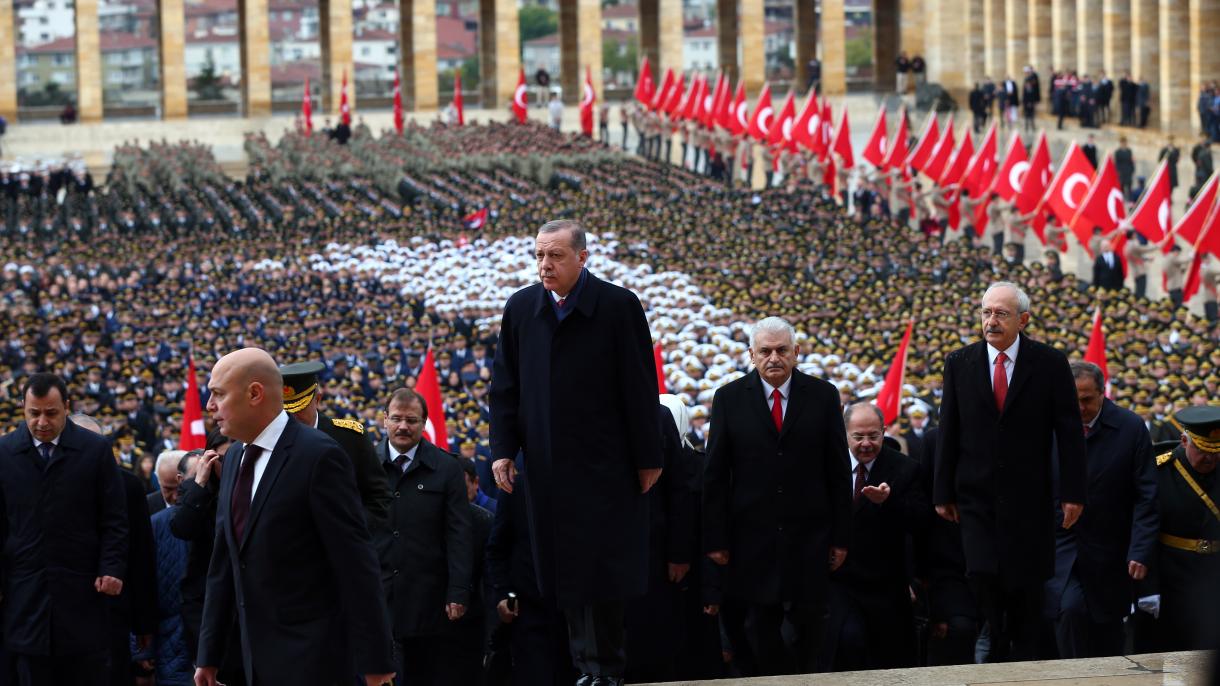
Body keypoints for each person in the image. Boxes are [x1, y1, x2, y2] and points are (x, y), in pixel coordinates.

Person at [489, 219, 662, 686]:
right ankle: (585, 667)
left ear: (583, 258)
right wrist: (503, 450)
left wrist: (649, 456)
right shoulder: (522, 308)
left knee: (601, 571)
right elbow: (505, 386)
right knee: (562, 572)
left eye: (556, 256)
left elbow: (641, 386)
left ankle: (606, 668)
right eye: (539, 256)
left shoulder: (617, 306)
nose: (545, 265)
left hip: (605, 466)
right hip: (546, 467)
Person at [193, 348, 395, 686]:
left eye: (218, 394)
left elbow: (356, 564)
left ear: (255, 393)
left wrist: (376, 664)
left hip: (313, 659)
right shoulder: (233, 458)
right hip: (249, 660)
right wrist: (209, 655)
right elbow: (224, 565)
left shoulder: (319, 455)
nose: (210, 406)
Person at [934, 282, 1087, 662]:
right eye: (986, 312)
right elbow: (948, 428)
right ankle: (996, 647)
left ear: (1023, 319)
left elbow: (1069, 433)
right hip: (976, 498)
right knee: (983, 578)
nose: (991, 320)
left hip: (1029, 501)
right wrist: (942, 493)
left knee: (1025, 589)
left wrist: (1074, 493)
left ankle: (1023, 658)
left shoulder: (1049, 363)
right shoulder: (960, 363)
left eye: (1000, 313)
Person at [702, 316, 852, 676]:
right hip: (751, 538)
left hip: (810, 537)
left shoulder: (823, 395)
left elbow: (836, 471)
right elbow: (716, 475)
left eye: (782, 350)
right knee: (758, 628)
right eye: (765, 351)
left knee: (810, 625)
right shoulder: (729, 398)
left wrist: (841, 538)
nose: (774, 358)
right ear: (751, 355)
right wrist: (715, 538)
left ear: (796, 353)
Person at [0, 373, 128, 684]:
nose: (42, 422)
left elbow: (114, 518)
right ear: (23, 408)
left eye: (51, 413)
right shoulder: (5, 453)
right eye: (34, 413)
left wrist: (111, 567)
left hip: (82, 592)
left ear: (67, 407)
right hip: (24, 596)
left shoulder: (94, 450)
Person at [1045, 362, 1158, 658]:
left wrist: (1140, 549)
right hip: (1062, 546)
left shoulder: (1130, 428)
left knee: (1107, 628)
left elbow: (1146, 495)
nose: (1079, 407)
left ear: (1102, 393)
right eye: (1073, 400)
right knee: (1068, 611)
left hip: (1111, 549)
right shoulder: (1048, 425)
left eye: (1087, 400)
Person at [375, 387, 473, 686]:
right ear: (384, 420)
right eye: (396, 419)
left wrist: (458, 590)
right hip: (376, 591)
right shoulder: (363, 464)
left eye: (411, 420)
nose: (403, 426)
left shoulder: (446, 468)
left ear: (424, 423)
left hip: (428, 596)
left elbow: (458, 533)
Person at [820, 403, 928, 671]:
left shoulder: (906, 469)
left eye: (873, 436)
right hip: (837, 581)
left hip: (886, 584)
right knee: (846, 643)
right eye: (858, 437)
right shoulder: (825, 465)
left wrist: (889, 501)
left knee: (887, 659)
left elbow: (922, 523)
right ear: (844, 434)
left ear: (884, 431)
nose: (866, 444)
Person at [279, 360, 390, 530]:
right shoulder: (273, 440)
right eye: (287, 410)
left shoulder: (350, 438)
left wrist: (352, 529)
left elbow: (379, 497)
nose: (293, 417)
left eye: (299, 408)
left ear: (317, 400)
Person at [1145, 406, 1220, 650]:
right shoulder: (1159, 471)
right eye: (1202, 450)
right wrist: (1148, 587)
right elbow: (1146, 532)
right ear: (1184, 440)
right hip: (1173, 573)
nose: (1209, 458)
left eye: (1216, 451)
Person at [149, 448, 188, 514]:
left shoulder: (204, 503)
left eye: (180, 488)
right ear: (158, 480)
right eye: (168, 489)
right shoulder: (146, 505)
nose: (175, 497)